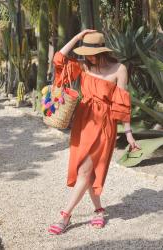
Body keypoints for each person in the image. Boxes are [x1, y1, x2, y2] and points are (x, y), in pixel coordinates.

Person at [48, 29, 141, 235]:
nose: (88, 56)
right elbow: (59, 59)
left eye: (92, 52)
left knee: (84, 170)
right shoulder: (82, 66)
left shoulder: (119, 69)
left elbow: (122, 104)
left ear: (102, 51)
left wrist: (128, 133)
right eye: (85, 51)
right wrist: (76, 36)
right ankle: (99, 210)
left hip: (103, 125)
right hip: (82, 122)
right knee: (86, 172)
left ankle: (65, 215)